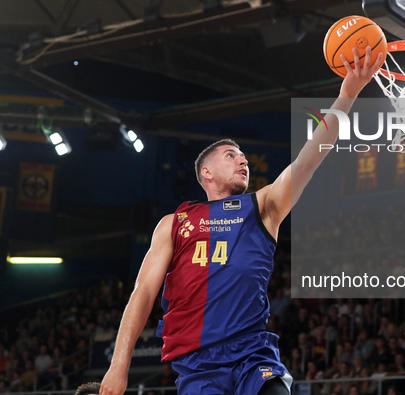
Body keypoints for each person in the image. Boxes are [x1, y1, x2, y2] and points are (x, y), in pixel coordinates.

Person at [99, 47, 383, 395]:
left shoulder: (263, 206)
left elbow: (307, 162)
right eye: (231, 155)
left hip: (253, 355)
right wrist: (118, 367)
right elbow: (142, 294)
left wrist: (346, 95)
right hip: (198, 363)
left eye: (244, 156)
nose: (243, 161)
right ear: (206, 172)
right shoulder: (173, 223)